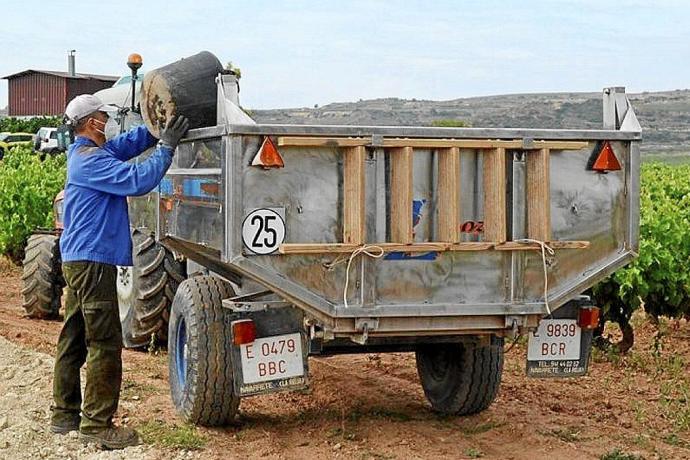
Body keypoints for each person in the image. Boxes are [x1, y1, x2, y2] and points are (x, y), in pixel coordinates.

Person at [50, 94, 189, 449]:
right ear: (90, 123)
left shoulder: (90, 154)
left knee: (73, 338)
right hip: (93, 263)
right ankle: (97, 425)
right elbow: (139, 179)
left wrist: (156, 128)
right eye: (102, 116)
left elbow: (129, 144)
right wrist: (167, 148)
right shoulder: (90, 162)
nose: (107, 120)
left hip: (80, 260)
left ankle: (64, 416)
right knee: (105, 343)